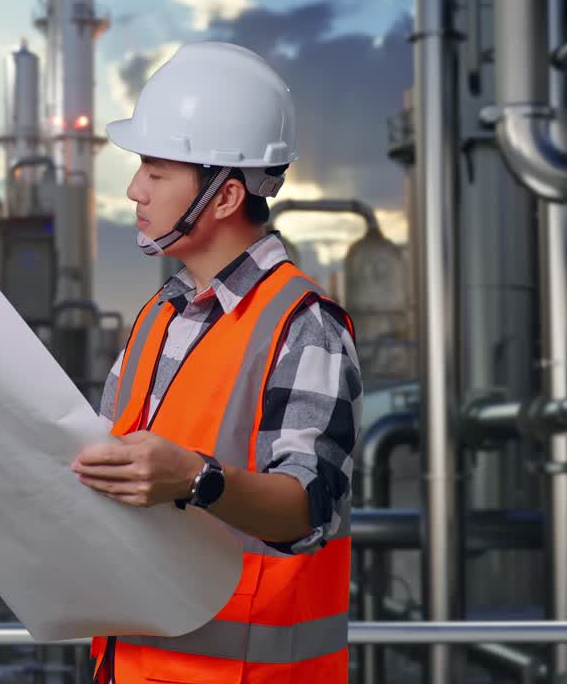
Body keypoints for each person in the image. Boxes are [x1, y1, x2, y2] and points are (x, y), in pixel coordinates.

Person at [70, 41, 363, 684]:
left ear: (225, 197)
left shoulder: (303, 325)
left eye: (156, 169)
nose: (133, 189)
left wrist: (196, 479)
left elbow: (308, 506)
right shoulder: (158, 317)